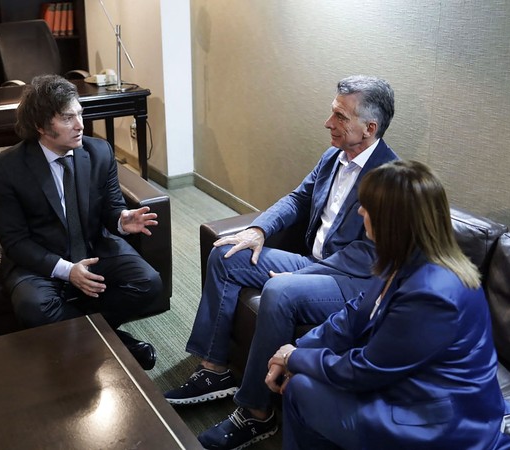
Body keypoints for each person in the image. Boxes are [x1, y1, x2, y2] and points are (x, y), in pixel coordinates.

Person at [164, 75, 399, 449]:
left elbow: (369, 254)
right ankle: (214, 370)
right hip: (313, 263)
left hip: (352, 281)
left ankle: (257, 413)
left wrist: (305, 273)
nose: (328, 123)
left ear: (369, 128)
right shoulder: (333, 157)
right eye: (332, 112)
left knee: (280, 290)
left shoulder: (389, 177)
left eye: (340, 116)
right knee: (227, 254)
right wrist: (257, 230)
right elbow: (296, 199)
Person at [265, 160, 510, 450]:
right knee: (306, 377)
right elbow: (355, 314)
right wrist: (297, 349)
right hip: (408, 384)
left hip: (437, 419)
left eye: (366, 207)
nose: (359, 212)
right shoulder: (404, 258)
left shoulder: (433, 293)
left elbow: (366, 370)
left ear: (390, 221)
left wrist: (295, 359)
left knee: (301, 389)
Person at [0, 74, 162, 370]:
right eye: (68, 118)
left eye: (79, 113)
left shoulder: (98, 152)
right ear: (41, 126)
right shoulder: (7, 168)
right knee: (33, 308)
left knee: (149, 283)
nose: (80, 125)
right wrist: (68, 272)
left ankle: (86, 340)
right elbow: (15, 242)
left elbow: (111, 207)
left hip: (92, 247)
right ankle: (119, 344)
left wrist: (121, 220)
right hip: (39, 259)